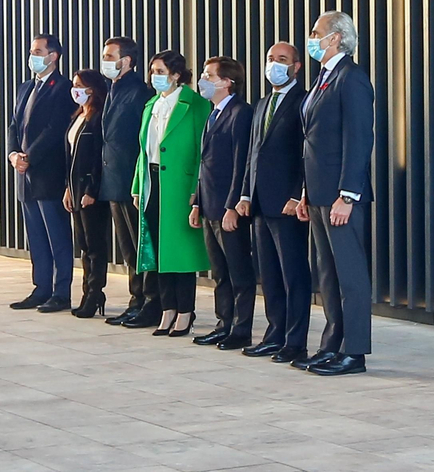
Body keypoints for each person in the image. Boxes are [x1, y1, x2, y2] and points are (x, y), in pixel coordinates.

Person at [293, 11, 374, 376]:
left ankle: (353, 353)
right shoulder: (323, 78)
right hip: (319, 193)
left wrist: (348, 194)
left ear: (336, 38)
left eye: (317, 33)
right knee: (327, 273)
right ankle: (331, 345)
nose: (312, 38)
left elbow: (359, 139)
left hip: (342, 196)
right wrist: (307, 191)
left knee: (350, 276)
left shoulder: (351, 77)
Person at [235, 41, 311, 361]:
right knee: (268, 275)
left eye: (282, 59)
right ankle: (274, 334)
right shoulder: (263, 103)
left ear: (296, 67)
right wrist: (244, 194)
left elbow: (306, 153)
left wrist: (297, 194)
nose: (274, 64)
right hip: (260, 203)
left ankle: (295, 342)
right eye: (270, 58)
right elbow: (252, 153)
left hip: (287, 204)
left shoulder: (304, 101)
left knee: (293, 275)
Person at [131, 49, 212, 337]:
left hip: (180, 186)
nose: (155, 77)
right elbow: (144, 150)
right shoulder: (151, 104)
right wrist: (138, 186)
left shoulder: (195, 104)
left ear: (177, 75)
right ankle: (167, 308)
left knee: (181, 253)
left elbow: (202, 152)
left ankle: (185, 310)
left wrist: (195, 190)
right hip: (153, 182)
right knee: (159, 250)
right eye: (153, 71)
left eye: (161, 72)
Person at [6, 33, 76, 313]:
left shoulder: (63, 88)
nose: (32, 56)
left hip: (48, 173)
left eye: (37, 51)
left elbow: (55, 129)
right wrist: (14, 154)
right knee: (35, 236)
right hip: (24, 175)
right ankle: (41, 287)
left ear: (53, 56)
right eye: (31, 51)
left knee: (57, 236)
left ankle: (61, 292)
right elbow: (14, 125)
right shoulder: (25, 87)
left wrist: (30, 157)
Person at [190, 56, 255, 349]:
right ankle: (224, 323)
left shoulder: (240, 113)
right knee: (219, 272)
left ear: (227, 81)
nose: (203, 80)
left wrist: (232, 206)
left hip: (228, 207)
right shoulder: (213, 113)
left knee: (238, 271)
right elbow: (204, 163)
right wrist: (197, 202)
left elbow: (242, 163)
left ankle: (241, 329)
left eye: (209, 75)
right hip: (210, 203)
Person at [97, 37, 154, 327]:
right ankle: (136, 299)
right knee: (127, 248)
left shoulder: (138, 92)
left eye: (110, 56)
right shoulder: (113, 89)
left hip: (131, 179)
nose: (105, 61)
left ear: (127, 61)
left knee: (139, 244)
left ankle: (148, 301)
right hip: (114, 179)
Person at [63, 68, 112, 318]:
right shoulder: (78, 116)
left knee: (95, 244)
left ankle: (95, 293)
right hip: (75, 188)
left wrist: (91, 189)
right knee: (83, 244)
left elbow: (97, 157)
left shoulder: (98, 117)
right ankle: (86, 291)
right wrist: (68, 189)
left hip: (91, 191)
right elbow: (71, 157)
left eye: (79, 85)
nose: (75, 90)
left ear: (92, 89)